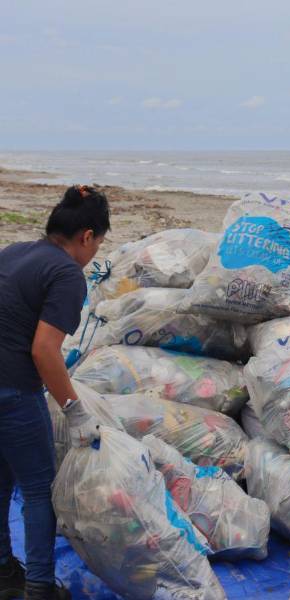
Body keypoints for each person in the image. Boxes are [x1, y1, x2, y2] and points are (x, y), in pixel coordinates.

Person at [0, 186, 109, 600]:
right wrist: (74, 411)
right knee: (38, 490)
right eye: (98, 243)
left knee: (1, 479)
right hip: (13, 390)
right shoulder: (66, 274)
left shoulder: (14, 252)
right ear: (86, 236)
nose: (95, 252)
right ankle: (40, 587)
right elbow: (44, 350)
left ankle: (4, 571)